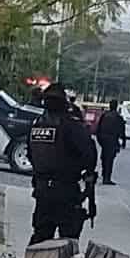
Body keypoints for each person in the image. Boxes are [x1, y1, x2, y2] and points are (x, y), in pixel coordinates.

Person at [27, 82, 98, 245]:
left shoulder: (37, 124)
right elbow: (89, 154)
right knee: (68, 242)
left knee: (40, 238)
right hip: (65, 191)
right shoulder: (70, 125)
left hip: (42, 190)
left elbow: (31, 154)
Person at [96, 99, 126, 185]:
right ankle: (106, 178)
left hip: (103, 139)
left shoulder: (104, 115)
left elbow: (98, 128)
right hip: (111, 140)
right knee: (109, 159)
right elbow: (122, 131)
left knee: (105, 157)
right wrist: (124, 141)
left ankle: (104, 174)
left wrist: (99, 139)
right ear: (116, 106)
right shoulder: (118, 117)